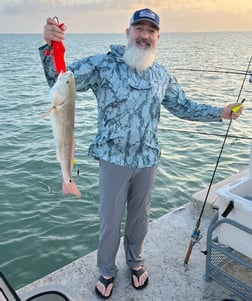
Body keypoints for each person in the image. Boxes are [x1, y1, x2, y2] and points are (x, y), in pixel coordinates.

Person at [40, 8, 243, 299]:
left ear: (157, 37)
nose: (144, 35)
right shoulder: (103, 65)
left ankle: (136, 262)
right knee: (110, 221)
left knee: (140, 219)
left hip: (148, 160)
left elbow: (183, 106)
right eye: (139, 28)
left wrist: (220, 113)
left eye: (151, 30)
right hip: (113, 160)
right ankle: (107, 270)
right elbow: (59, 80)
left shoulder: (161, 74)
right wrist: (52, 47)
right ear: (128, 33)